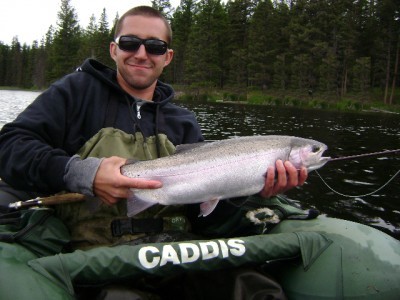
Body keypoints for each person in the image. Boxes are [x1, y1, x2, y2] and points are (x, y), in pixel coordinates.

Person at [0, 6, 306, 246]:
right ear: (113, 49)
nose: (142, 54)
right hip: (93, 257)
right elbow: (10, 145)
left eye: (155, 47)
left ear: (168, 57)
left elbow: (203, 219)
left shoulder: (183, 122)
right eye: (130, 43)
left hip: (176, 252)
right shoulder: (77, 93)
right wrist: (83, 173)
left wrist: (247, 188)